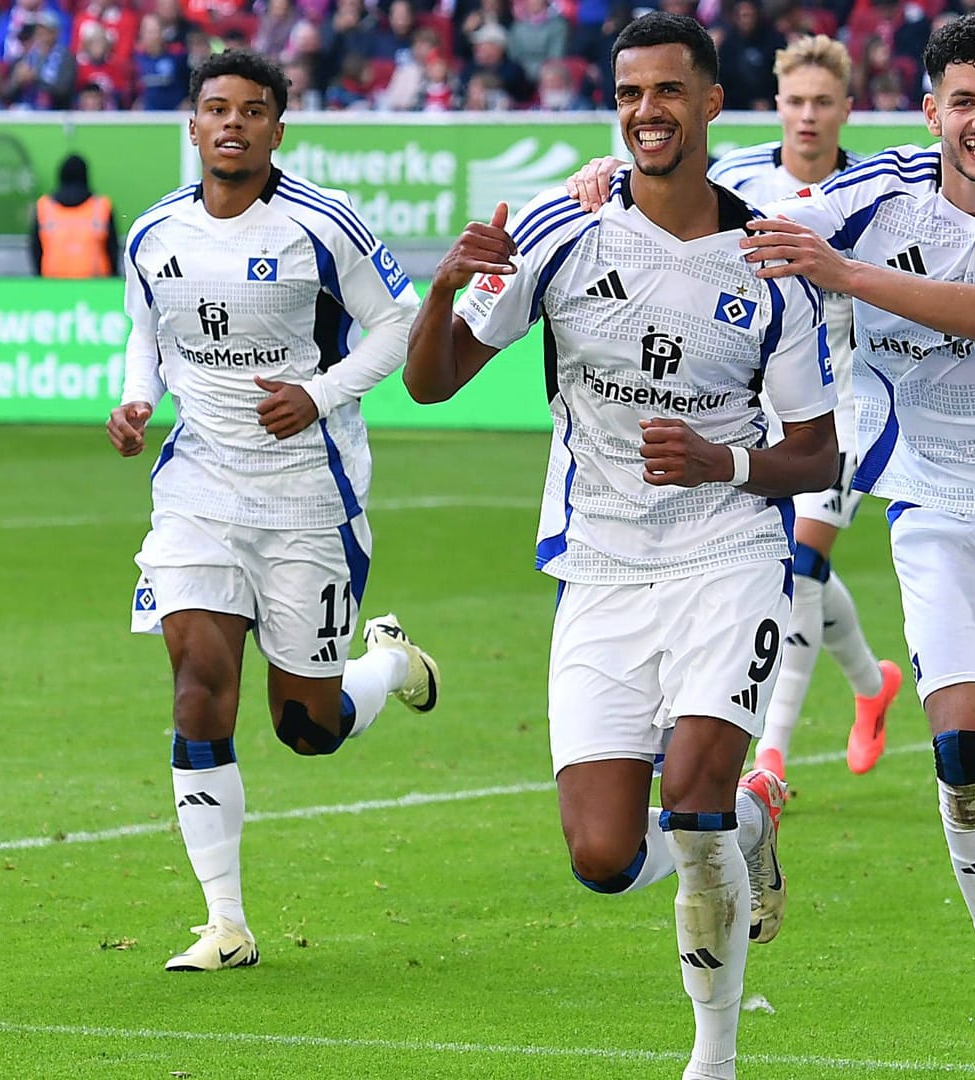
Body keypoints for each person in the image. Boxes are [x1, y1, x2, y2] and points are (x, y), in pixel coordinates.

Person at [572, 12, 975, 1078]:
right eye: (963, 103)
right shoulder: (873, 194)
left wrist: (844, 276)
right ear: (931, 111)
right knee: (965, 761)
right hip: (937, 513)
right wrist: (621, 175)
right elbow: (738, 216)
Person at [404, 14, 834, 1080]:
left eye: (670, 92)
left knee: (686, 799)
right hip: (598, 570)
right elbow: (432, 379)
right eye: (632, 93)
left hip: (728, 558)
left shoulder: (768, 262)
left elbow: (817, 454)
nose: (649, 112)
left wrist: (722, 465)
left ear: (710, 104)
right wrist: (448, 284)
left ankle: (714, 1054)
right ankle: (747, 824)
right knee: (603, 858)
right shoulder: (562, 236)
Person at [107, 49, 440, 974]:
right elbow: (147, 330)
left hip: (307, 499)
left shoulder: (320, 225)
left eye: (254, 110)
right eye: (218, 108)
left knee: (306, 726)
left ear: (277, 128)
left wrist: (322, 392)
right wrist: (138, 401)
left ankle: (386, 664)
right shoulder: (155, 232)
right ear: (193, 123)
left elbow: (399, 322)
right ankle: (226, 924)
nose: (233, 124)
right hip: (198, 491)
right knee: (195, 692)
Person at [705, 34, 904, 784]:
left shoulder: (876, 195)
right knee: (789, 563)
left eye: (824, 103)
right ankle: (870, 683)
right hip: (752, 399)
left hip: (844, 404)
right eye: (796, 102)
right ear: (778, 106)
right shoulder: (738, 177)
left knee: (802, 561)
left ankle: (770, 761)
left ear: (848, 109)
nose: (809, 116)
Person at [31, 153, 119, 277]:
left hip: (52, 287)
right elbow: (112, 250)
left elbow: (35, 250)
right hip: (97, 288)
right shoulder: (101, 206)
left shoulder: (44, 206)